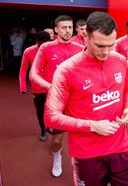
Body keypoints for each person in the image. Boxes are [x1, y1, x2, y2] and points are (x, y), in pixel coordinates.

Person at [44, 11, 128, 186]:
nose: (106, 52)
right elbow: (51, 117)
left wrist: (127, 111)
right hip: (87, 154)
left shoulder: (120, 60)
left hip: (121, 147)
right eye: (99, 46)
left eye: (110, 45)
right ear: (85, 37)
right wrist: (93, 126)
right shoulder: (67, 70)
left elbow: (127, 91)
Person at [29, 15, 83, 177]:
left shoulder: (80, 49)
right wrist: (51, 87)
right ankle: (57, 157)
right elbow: (34, 74)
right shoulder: (45, 48)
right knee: (57, 139)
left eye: (70, 27)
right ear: (56, 30)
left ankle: (80, 168)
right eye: (64, 27)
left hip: (77, 101)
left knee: (81, 138)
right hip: (56, 101)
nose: (67, 30)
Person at [19, 31, 51, 141]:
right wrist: (23, 86)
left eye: (46, 43)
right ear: (37, 41)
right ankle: (43, 128)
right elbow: (23, 70)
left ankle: (52, 127)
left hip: (51, 86)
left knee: (53, 109)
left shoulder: (52, 48)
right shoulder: (29, 51)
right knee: (40, 110)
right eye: (41, 43)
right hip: (37, 88)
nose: (43, 46)